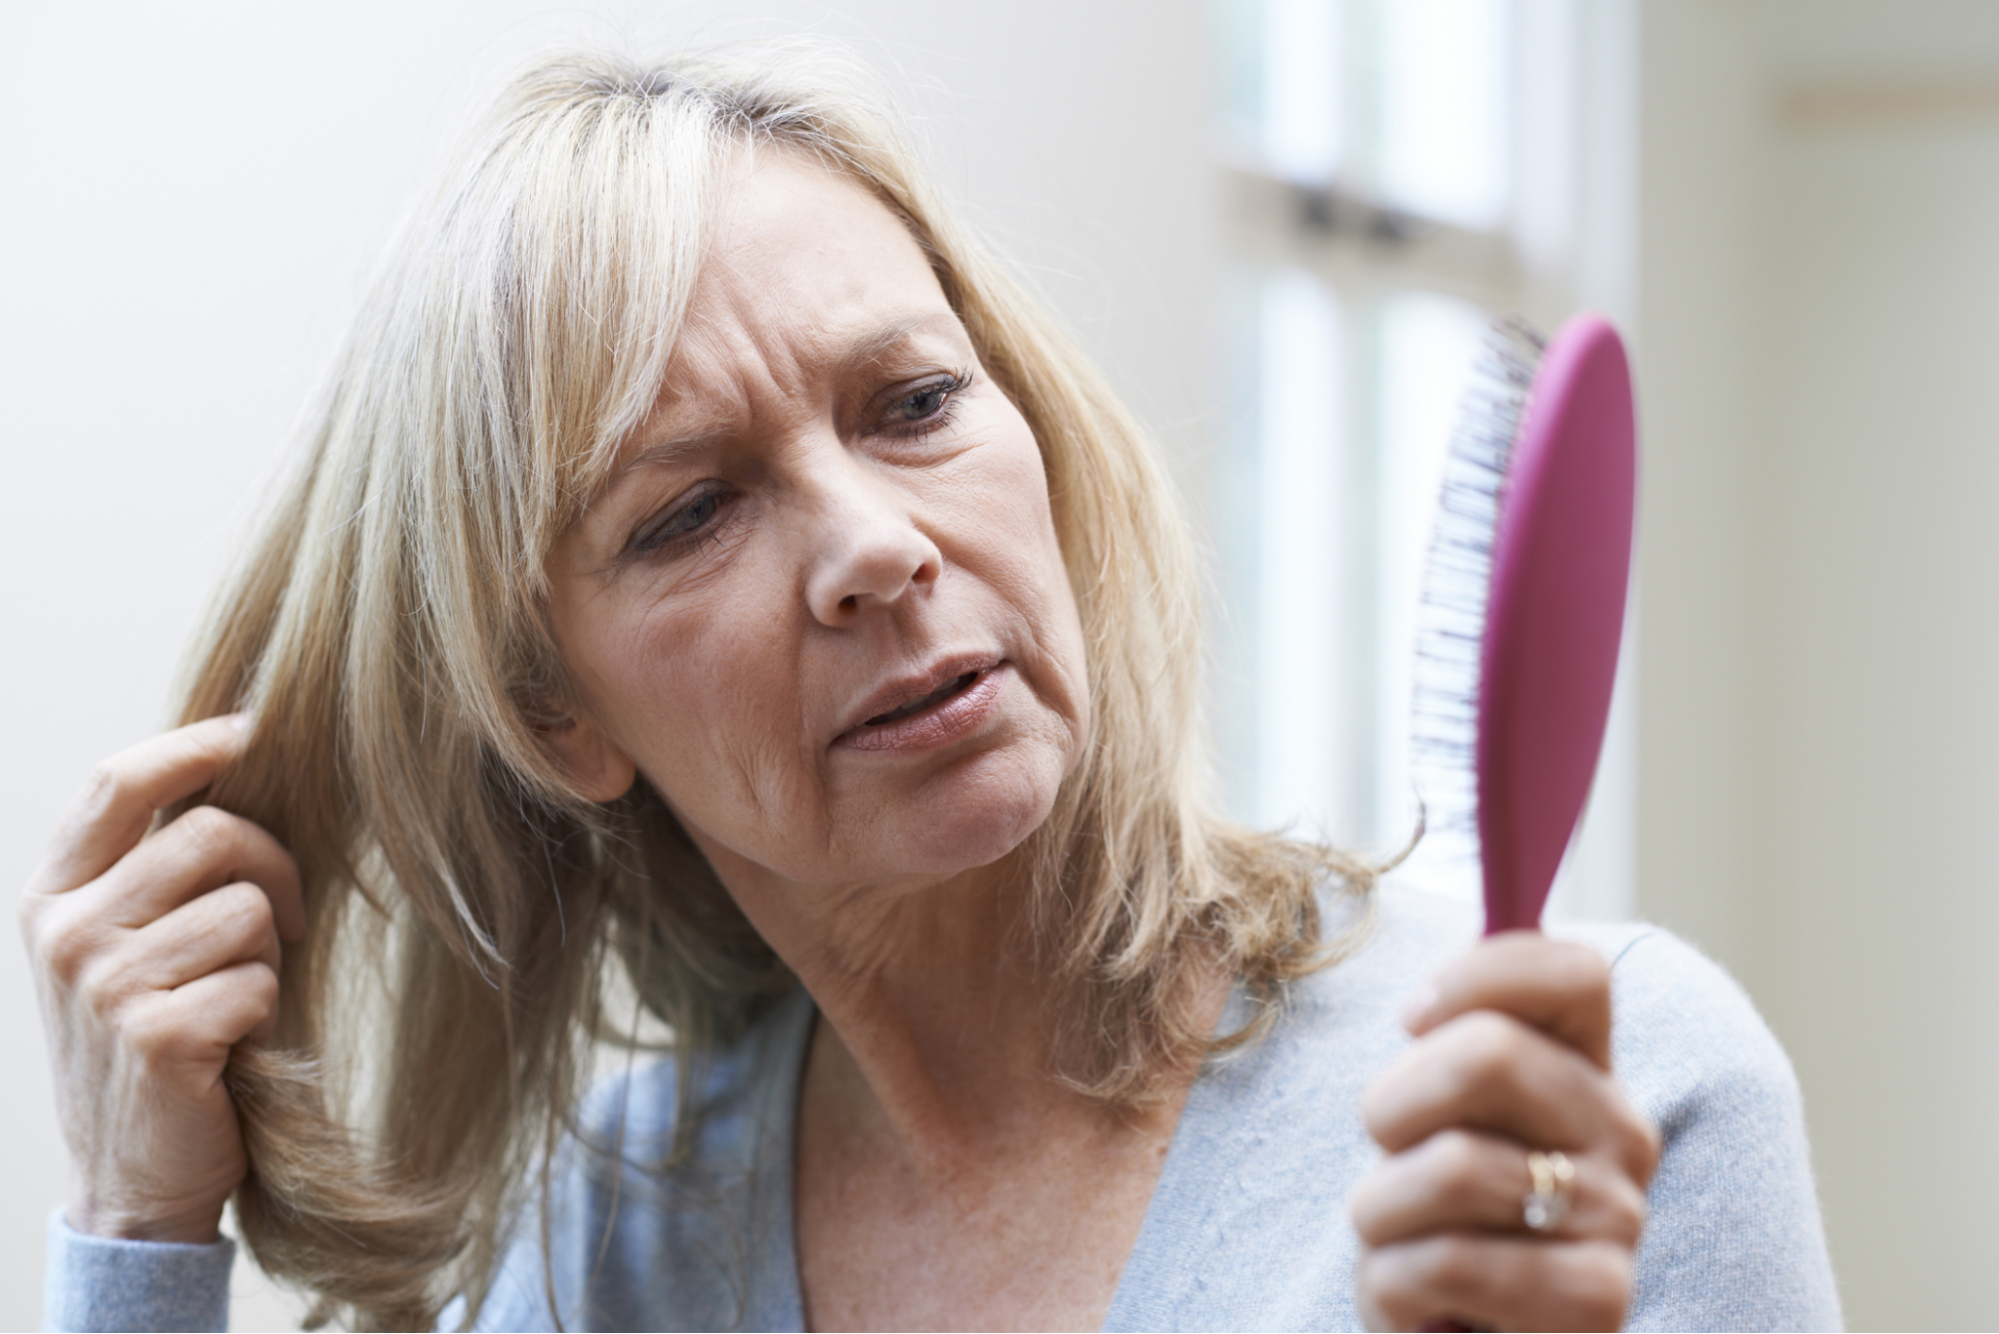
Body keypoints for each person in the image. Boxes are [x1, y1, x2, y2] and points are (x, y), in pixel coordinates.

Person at [21, 47, 1839, 1333]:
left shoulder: (1603, 1096)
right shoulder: (606, 1252)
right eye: (692, 510)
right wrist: (133, 1237)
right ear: (554, 714)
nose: (875, 544)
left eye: (912, 404)